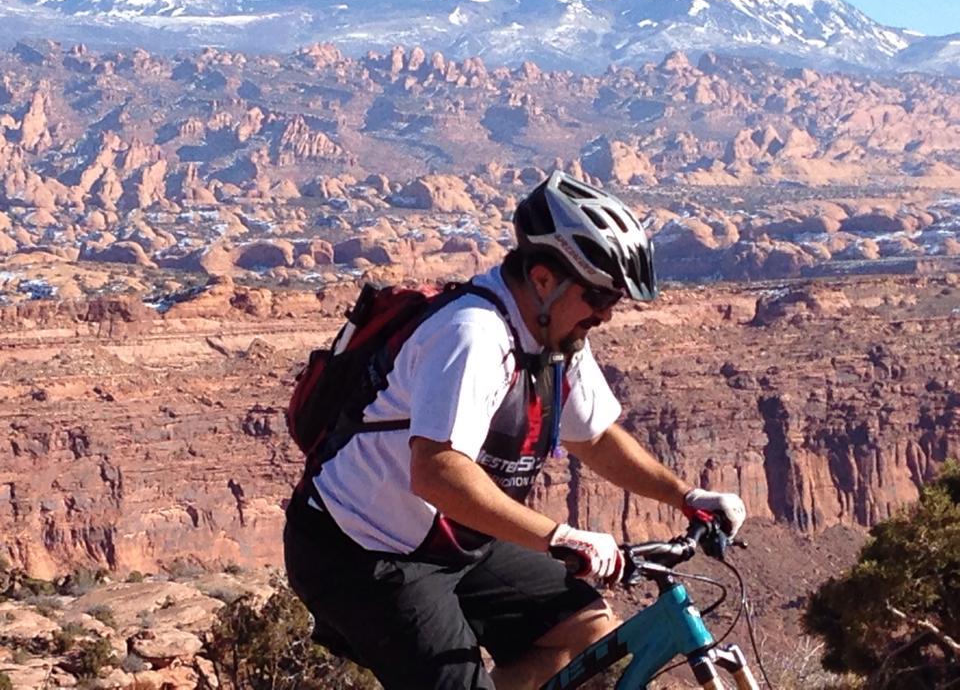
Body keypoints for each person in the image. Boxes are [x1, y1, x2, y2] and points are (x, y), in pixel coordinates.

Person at [283, 169, 747, 689]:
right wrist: (558, 536)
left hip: (453, 538)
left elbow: (593, 435)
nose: (608, 315)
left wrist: (686, 495)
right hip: (364, 552)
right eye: (599, 297)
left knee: (587, 635)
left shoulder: (555, 337)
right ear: (545, 279)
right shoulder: (473, 336)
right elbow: (438, 473)